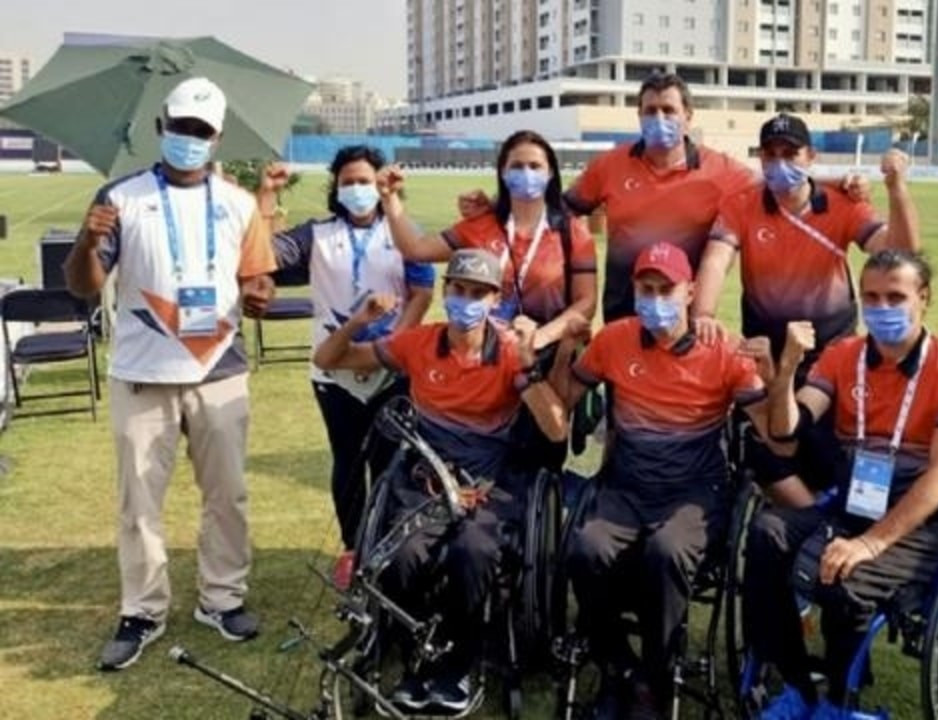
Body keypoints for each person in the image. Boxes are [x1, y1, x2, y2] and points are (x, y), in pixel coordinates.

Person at [64, 77, 276, 671]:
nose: (189, 138)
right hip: (143, 373)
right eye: (181, 127)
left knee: (227, 494)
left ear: (217, 138)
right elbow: (82, 286)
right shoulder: (120, 197)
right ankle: (143, 610)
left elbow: (257, 278)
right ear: (161, 126)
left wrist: (259, 294)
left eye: (201, 131)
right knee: (138, 502)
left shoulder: (238, 203)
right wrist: (88, 241)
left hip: (219, 370)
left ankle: (222, 598)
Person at [313, 248, 567, 716]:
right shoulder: (418, 343)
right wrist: (360, 320)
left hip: (491, 485)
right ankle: (419, 656)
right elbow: (328, 358)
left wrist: (529, 365)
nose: (465, 301)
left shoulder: (510, 351)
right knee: (402, 554)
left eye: (477, 293)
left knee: (474, 551)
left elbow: (555, 429)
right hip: (426, 480)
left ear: (494, 299)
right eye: (458, 289)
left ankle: (459, 665)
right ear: (445, 290)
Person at [743, 250, 938, 719]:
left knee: (846, 579)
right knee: (767, 534)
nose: (882, 307)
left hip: (927, 518)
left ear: (924, 298)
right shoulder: (843, 356)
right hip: (856, 502)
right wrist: (787, 369)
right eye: (871, 297)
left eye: (896, 297)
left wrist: (870, 544)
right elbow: (787, 429)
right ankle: (798, 686)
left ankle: (838, 702)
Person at [552, 242, 784, 718]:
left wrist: (776, 373)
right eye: (646, 288)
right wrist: (563, 352)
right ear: (634, 290)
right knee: (584, 549)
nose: (655, 299)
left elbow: (773, 432)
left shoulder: (723, 348)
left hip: (694, 490)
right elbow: (568, 395)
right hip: (626, 485)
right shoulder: (614, 340)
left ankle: (654, 677)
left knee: (667, 552)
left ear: (690, 292)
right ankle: (618, 665)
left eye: (666, 289)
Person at [693, 115, 921, 508]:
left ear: (810, 156)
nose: (779, 162)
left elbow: (899, 255)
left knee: (833, 447)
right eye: (770, 154)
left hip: (830, 355)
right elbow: (716, 259)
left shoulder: (842, 204)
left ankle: (837, 515)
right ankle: (811, 517)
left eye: (790, 153)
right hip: (767, 356)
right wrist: (704, 313)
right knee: (766, 450)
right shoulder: (743, 205)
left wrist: (896, 188)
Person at [259, 146, 436, 588]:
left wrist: (394, 346)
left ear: (380, 185)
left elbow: (421, 293)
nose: (357, 189)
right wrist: (268, 197)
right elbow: (264, 256)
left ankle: (390, 546)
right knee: (348, 458)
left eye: (365, 181)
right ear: (336, 188)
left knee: (391, 459)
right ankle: (353, 548)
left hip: (391, 369)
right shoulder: (317, 234)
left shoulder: (403, 231)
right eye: (348, 182)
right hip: (333, 368)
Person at [378, 129, 597, 471]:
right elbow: (416, 249)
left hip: (542, 360)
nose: (526, 173)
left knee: (543, 455)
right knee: (485, 451)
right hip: (483, 361)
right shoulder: (479, 225)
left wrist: (539, 339)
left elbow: (586, 302)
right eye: (517, 166)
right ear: (502, 172)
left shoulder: (572, 231)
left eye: (535, 166)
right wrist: (390, 200)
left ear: (551, 172)